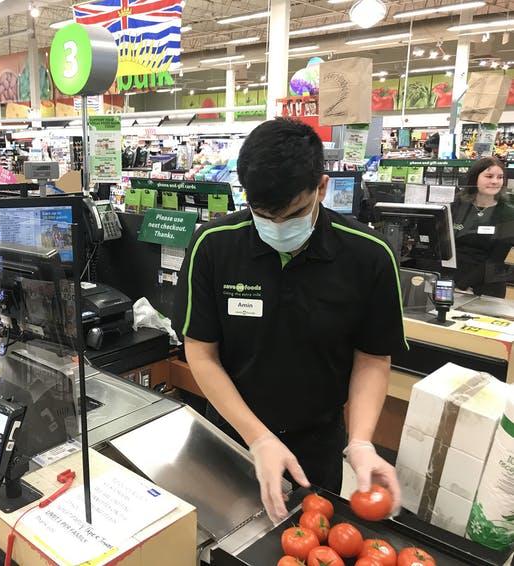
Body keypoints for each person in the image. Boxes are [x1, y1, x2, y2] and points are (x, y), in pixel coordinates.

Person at [175, 118, 406, 522]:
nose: (277, 227)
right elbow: (201, 353)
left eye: (294, 213)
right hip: (230, 435)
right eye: (264, 214)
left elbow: (372, 359)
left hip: (316, 446)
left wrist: (362, 442)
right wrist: (257, 437)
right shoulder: (213, 245)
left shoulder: (368, 255)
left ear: (321, 187)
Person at [452, 157, 514, 298]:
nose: (495, 181)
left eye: (500, 177)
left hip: (486, 287)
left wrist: (462, 285)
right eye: (489, 176)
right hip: (452, 282)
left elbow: (495, 259)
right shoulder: (456, 206)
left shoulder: (509, 214)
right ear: (475, 178)